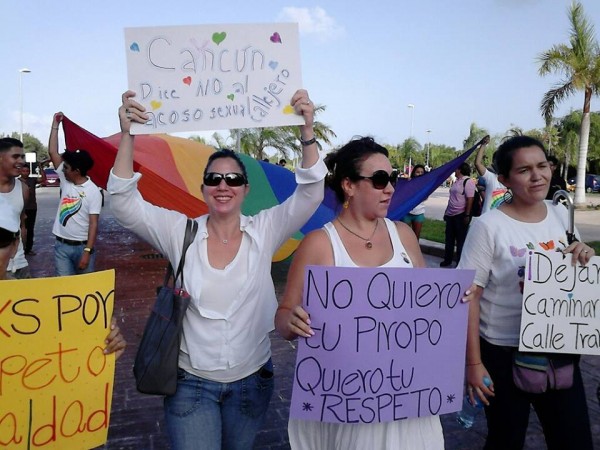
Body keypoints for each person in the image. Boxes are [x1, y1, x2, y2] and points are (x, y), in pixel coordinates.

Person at [108, 89, 326, 450]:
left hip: (252, 383)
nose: (223, 186)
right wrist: (128, 135)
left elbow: (311, 194)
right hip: (189, 384)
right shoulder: (178, 231)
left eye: (233, 179)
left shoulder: (264, 229)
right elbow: (123, 202)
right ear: (203, 187)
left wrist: (307, 130)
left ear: (245, 188)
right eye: (214, 179)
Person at [275, 137, 444, 450]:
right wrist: (293, 321)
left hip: (407, 395)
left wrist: (453, 303)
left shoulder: (404, 235)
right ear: (349, 185)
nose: (390, 188)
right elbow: (283, 318)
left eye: (391, 178)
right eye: (380, 180)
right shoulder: (319, 244)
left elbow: (427, 308)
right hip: (352, 403)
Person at [459, 135, 594, 449]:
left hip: (557, 348)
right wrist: (473, 365)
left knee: (574, 438)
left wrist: (583, 253)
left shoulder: (561, 214)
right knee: (506, 439)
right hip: (502, 353)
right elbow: (469, 297)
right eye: (524, 170)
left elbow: (572, 273)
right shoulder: (488, 226)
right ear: (504, 179)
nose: (538, 176)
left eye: (542, 165)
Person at [49, 113, 103, 276]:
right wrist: (55, 125)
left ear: (76, 171)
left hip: (82, 248)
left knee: (84, 291)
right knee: (64, 289)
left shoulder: (93, 191)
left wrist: (87, 251)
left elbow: (93, 224)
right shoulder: (66, 181)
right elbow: (53, 152)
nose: (62, 169)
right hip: (61, 247)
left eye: (66, 167)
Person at [0, 138, 28, 279]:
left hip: (20, 265)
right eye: (15, 156)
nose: (21, 161)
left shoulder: (23, 188)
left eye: (22, 156)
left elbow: (22, 224)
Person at [440, 162, 475, 267]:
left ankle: (459, 262)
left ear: (460, 170)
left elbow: (470, 199)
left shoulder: (468, 182)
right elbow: (452, 198)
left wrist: (467, 215)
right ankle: (447, 260)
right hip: (450, 214)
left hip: (460, 215)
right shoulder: (457, 182)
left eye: (456, 169)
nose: (454, 171)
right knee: (449, 239)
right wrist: (447, 212)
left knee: (460, 240)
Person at [474, 135, 508, 214]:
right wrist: (483, 145)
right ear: (493, 162)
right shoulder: (491, 177)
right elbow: (477, 163)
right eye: (497, 161)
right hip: (487, 220)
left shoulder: (512, 180)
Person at [20, 164, 46, 255]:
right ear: (20, 171)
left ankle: (28, 249)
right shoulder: (17, 181)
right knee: (20, 229)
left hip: (31, 208)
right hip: (20, 208)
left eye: (27, 171)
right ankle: (20, 249)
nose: (25, 173)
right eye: (23, 171)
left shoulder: (32, 180)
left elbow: (43, 179)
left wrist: (41, 168)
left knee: (30, 229)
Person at [401, 164, 427, 239]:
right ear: (414, 173)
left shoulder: (426, 184)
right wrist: (408, 184)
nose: (420, 174)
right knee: (405, 237)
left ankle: (415, 251)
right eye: (418, 172)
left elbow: (425, 198)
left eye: (422, 172)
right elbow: (403, 195)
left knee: (416, 237)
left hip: (419, 213)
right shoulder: (409, 182)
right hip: (407, 213)